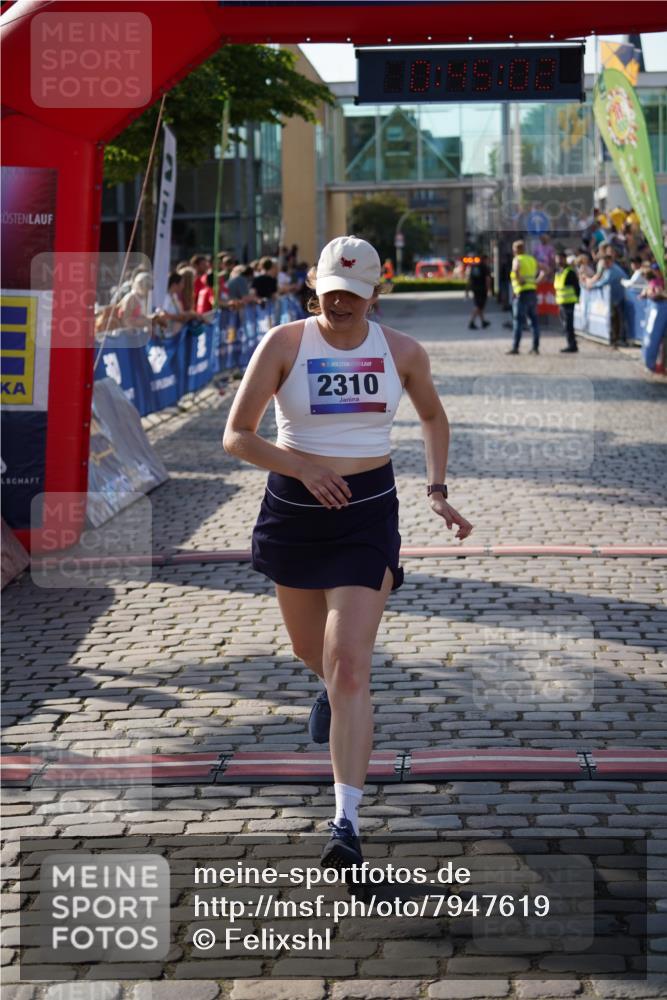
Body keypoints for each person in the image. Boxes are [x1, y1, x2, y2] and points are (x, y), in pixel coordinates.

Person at [222, 235, 473, 869]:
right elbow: (237, 437)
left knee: (351, 664)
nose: (341, 305)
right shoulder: (283, 344)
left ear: (375, 294)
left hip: (367, 514)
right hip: (296, 512)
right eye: (332, 293)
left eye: (354, 297)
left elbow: (434, 418)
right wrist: (302, 467)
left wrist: (437, 488)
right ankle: (331, 692)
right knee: (314, 653)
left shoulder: (404, 352)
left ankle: (346, 821)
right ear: (314, 285)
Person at [507, 239, 543, 355]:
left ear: (516, 250)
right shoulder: (531, 259)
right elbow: (545, 269)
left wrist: (519, 279)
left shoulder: (517, 259)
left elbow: (515, 269)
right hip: (532, 292)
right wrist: (537, 281)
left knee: (518, 321)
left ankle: (515, 347)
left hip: (521, 293)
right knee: (534, 321)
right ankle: (535, 347)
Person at [585, 250, 627, 347]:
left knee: (617, 319)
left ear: (610, 261)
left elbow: (605, 282)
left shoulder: (613, 270)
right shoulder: (608, 269)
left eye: (605, 261)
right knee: (614, 318)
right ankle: (615, 338)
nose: (603, 264)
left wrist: (592, 286)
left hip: (619, 298)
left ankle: (619, 339)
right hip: (614, 299)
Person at [553, 250, 580, 353]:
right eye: (557, 258)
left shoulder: (569, 272)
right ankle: (571, 344)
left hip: (569, 303)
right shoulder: (559, 272)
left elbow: (576, 287)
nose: (559, 260)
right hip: (561, 303)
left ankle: (572, 345)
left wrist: (578, 299)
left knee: (568, 325)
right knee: (565, 325)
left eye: (560, 258)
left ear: (565, 259)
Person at [161, 271, 198, 336]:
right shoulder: (165, 298)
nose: (183, 286)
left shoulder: (174, 296)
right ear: (174, 285)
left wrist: (191, 314)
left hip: (176, 335)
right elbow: (163, 315)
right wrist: (179, 318)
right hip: (168, 336)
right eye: (182, 283)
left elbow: (180, 313)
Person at [466, 254, 492, 330]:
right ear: (485, 260)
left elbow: (469, 279)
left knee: (479, 305)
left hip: (475, 289)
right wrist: (489, 289)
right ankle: (471, 322)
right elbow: (488, 279)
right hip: (482, 289)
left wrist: (467, 290)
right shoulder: (485, 267)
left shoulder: (474, 267)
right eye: (487, 260)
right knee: (479, 306)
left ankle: (483, 322)